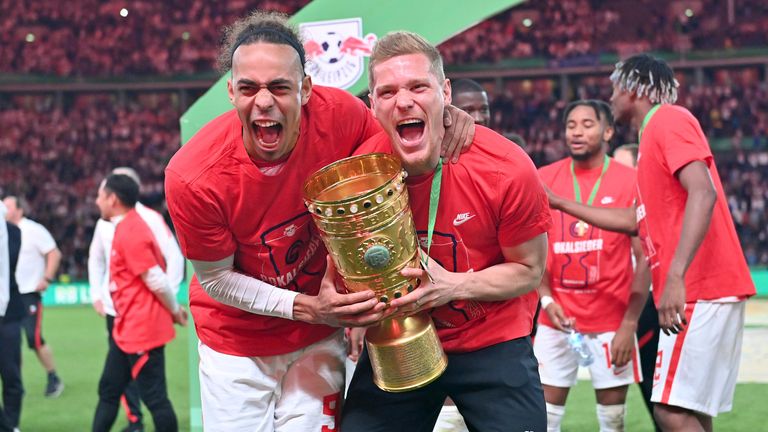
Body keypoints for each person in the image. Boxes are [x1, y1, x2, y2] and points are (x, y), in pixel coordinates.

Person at [164, 11, 473, 431]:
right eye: (250, 88)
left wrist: (447, 117)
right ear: (231, 91)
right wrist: (309, 308)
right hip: (236, 344)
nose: (265, 101)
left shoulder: (341, 116)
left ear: (306, 89)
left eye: (279, 86)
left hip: (317, 338)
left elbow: (399, 140)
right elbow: (216, 279)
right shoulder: (193, 174)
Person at [340, 30, 551, 432]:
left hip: (491, 340)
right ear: (372, 105)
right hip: (398, 339)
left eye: (418, 86)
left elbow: (528, 271)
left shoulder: (506, 168)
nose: (403, 101)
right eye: (387, 93)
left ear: (445, 92)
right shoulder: (360, 174)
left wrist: (452, 286)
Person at [547, 53, 756, 431]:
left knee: (670, 413)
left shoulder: (667, 120)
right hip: (704, 288)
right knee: (690, 410)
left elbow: (703, 192)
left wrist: (675, 276)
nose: (611, 97)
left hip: (698, 288)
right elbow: (634, 220)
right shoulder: (651, 136)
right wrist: (561, 203)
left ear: (631, 88)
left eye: (614, 88)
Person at [535, 100, 651, 432]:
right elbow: (532, 249)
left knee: (612, 423)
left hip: (612, 322)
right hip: (557, 319)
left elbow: (644, 256)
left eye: (587, 124)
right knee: (545, 419)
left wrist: (629, 324)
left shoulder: (631, 180)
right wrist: (547, 299)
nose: (577, 131)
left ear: (608, 131)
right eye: (571, 124)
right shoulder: (544, 178)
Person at [88, 167, 185, 432]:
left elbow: (155, 278)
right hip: (126, 326)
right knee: (109, 388)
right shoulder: (124, 226)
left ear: (112, 199)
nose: (96, 201)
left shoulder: (132, 231)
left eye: (100, 195)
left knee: (154, 398)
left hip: (141, 328)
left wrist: (175, 309)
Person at [613, 143, 662, 432]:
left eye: (622, 167)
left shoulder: (645, 206)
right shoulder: (619, 206)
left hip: (648, 308)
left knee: (663, 403)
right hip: (621, 307)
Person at [1, 196, 63, 398]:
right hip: (8, 293)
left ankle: (53, 376)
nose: (4, 208)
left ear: (19, 210)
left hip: (29, 292)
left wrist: (47, 278)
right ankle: (14, 383)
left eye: (8, 205)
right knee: (10, 340)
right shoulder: (3, 230)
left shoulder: (33, 229)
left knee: (33, 337)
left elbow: (54, 253)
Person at [0, 201, 23, 432]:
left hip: (9, 309)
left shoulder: (14, 232)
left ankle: (12, 423)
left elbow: (11, 259)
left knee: (10, 371)